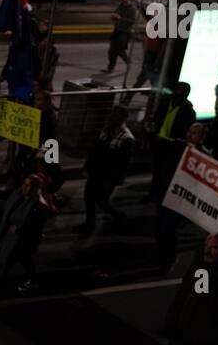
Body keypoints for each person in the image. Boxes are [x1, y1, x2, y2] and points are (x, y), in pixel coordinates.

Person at [0, 174, 53, 299]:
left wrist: (21, 230)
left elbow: (36, 227)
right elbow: (0, 195)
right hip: (10, 236)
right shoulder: (18, 194)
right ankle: (33, 280)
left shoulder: (38, 206)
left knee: (4, 263)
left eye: (28, 185)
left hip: (20, 240)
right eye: (24, 183)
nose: (25, 187)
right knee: (24, 260)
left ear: (35, 188)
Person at [153, 123, 208, 273]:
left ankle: (168, 260)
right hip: (166, 194)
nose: (190, 135)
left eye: (195, 133)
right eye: (189, 131)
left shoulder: (205, 156)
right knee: (160, 229)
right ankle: (163, 255)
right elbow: (159, 141)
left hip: (181, 198)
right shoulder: (178, 145)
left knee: (168, 229)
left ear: (202, 137)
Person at [75, 105, 134, 235]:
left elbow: (123, 163)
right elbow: (95, 150)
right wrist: (87, 167)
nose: (112, 117)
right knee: (89, 198)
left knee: (100, 201)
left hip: (108, 176)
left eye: (116, 115)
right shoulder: (106, 130)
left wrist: (116, 179)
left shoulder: (126, 139)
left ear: (123, 118)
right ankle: (90, 225)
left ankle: (118, 216)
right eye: (112, 114)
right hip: (96, 172)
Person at [148, 82, 197, 201]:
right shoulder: (166, 103)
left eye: (181, 90)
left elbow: (188, 131)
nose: (177, 92)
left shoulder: (188, 111)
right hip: (159, 141)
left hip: (173, 146)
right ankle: (152, 195)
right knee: (156, 170)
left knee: (166, 173)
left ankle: (161, 197)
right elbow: (156, 118)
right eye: (177, 89)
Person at [105, 0, 136, 72]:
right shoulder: (120, 5)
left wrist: (120, 18)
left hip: (124, 32)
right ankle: (110, 68)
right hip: (117, 30)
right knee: (111, 50)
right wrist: (113, 16)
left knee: (120, 50)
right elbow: (115, 14)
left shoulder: (132, 8)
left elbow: (131, 21)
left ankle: (128, 62)